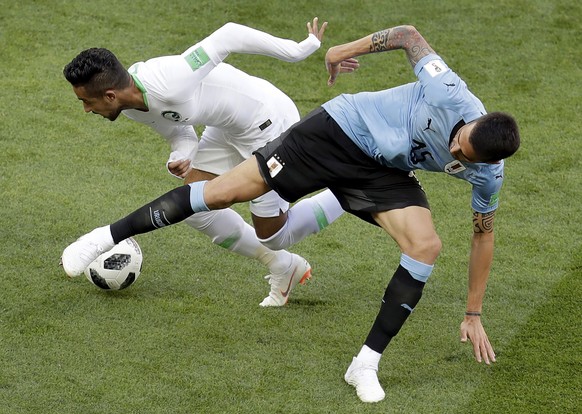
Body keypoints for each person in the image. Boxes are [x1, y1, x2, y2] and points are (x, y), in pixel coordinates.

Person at [62, 24, 520, 403]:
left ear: (485, 162)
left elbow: (483, 235)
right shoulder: (448, 91)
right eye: (459, 137)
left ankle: (365, 364)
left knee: (426, 246)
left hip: (382, 170)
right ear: (472, 120)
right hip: (340, 128)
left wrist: (474, 311)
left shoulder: (487, 176)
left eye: (464, 154)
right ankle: (105, 237)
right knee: (219, 196)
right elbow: (407, 35)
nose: (455, 147)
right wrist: (338, 50)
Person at [62, 19, 351, 307]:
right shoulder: (131, 107)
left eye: (87, 101)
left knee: (275, 235)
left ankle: (351, 183)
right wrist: (181, 153)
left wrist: (298, 50)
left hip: (268, 123)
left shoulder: (168, 79)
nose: (87, 109)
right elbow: (179, 128)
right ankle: (282, 265)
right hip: (225, 128)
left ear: (110, 95)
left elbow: (228, 35)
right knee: (194, 209)